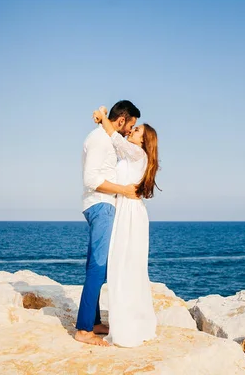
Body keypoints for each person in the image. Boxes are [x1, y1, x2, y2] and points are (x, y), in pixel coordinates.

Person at [75, 100, 141, 347]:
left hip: (103, 205)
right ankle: (83, 330)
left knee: (97, 265)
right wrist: (123, 190)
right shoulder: (99, 139)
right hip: (100, 205)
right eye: (130, 125)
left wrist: (101, 113)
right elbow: (91, 178)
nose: (129, 131)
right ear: (122, 120)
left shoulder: (106, 137)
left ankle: (92, 322)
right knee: (99, 267)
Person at [92, 106, 159, 347]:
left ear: (144, 140)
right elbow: (115, 138)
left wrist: (102, 117)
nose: (132, 130)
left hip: (130, 214)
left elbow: (114, 137)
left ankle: (129, 326)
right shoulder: (135, 154)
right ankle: (130, 322)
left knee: (126, 267)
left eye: (137, 129)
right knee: (124, 266)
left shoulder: (137, 153)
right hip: (127, 210)